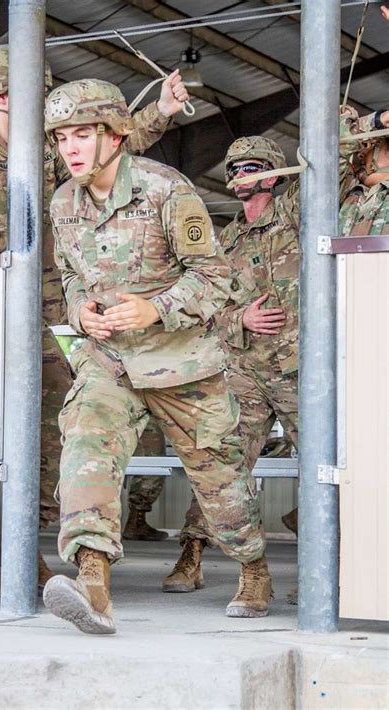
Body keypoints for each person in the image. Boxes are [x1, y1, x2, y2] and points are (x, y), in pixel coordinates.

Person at [0, 47, 191, 587]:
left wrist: (161, 108)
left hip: (57, 307)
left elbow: (115, 144)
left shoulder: (49, 146)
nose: (21, 104)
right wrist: (37, 245)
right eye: (13, 96)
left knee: (58, 420)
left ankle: (35, 540)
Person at [42, 78, 269, 635]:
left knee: (221, 483)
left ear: (116, 133)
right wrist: (80, 311)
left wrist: (156, 309)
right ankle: (92, 582)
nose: (69, 148)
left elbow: (218, 278)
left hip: (182, 362)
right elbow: (71, 276)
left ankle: (254, 567)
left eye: (82, 134)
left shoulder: (167, 190)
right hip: (109, 361)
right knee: (87, 447)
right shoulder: (63, 202)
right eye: (61, 137)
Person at [163, 107, 388, 611]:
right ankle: (198, 556)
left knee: (323, 466)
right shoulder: (223, 242)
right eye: (236, 169)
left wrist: (357, 121)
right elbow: (202, 307)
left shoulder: (295, 215)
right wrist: (237, 319)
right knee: (221, 465)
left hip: (300, 370)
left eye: (253, 167)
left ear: (273, 173)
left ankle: (332, 571)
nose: (243, 175)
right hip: (242, 370)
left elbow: (331, 160)